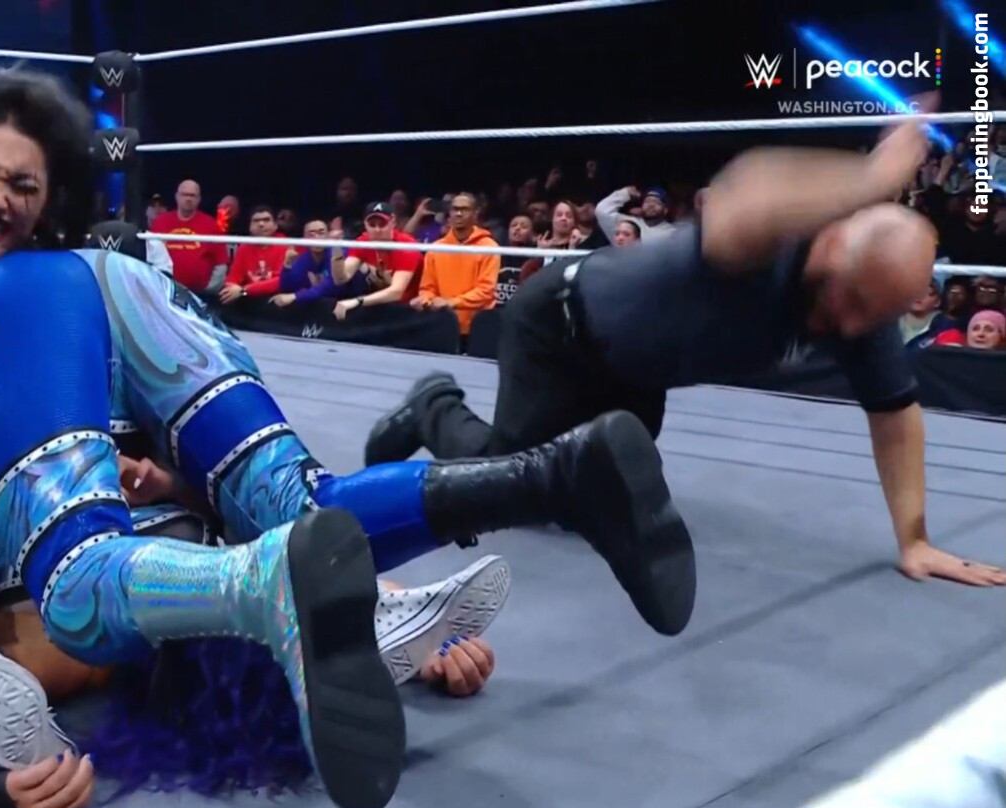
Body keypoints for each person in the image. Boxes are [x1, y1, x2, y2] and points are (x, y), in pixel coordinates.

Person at [0, 69, 506, 808]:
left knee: (205, 492)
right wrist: (63, 464)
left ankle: (344, 599)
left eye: (22, 184)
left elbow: (200, 471)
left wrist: (380, 601)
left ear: (49, 198)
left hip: (85, 525)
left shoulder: (85, 284)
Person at [363, 103, 1006, 590]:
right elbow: (745, 192)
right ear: (834, 246)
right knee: (509, 485)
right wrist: (872, 174)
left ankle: (568, 476)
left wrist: (915, 540)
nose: (853, 323)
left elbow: (896, 416)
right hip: (558, 328)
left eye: (874, 314)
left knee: (596, 497)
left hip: (635, 373)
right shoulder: (767, 247)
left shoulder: (863, 307)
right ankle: (434, 405)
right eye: (853, 299)